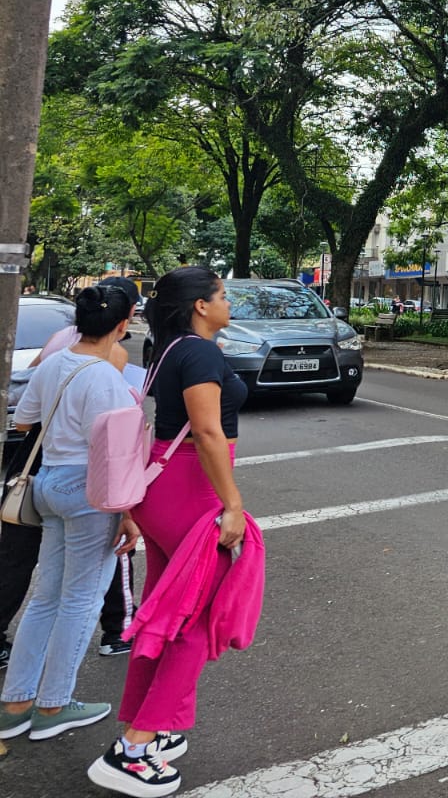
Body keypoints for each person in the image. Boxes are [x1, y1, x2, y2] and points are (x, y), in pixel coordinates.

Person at [89, 266, 263, 797]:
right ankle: (133, 748)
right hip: (192, 492)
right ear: (201, 306)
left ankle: (148, 725)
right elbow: (207, 432)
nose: (229, 302)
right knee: (193, 621)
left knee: (164, 614)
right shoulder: (200, 353)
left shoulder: (168, 349)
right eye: (223, 295)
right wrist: (233, 504)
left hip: (161, 491)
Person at [0, 284, 142, 744]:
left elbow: (25, 420)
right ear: (123, 325)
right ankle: (54, 704)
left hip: (48, 483)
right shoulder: (107, 378)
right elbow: (114, 452)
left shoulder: (54, 363)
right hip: (88, 491)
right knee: (82, 599)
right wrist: (127, 513)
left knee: (46, 597)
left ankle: (15, 703)